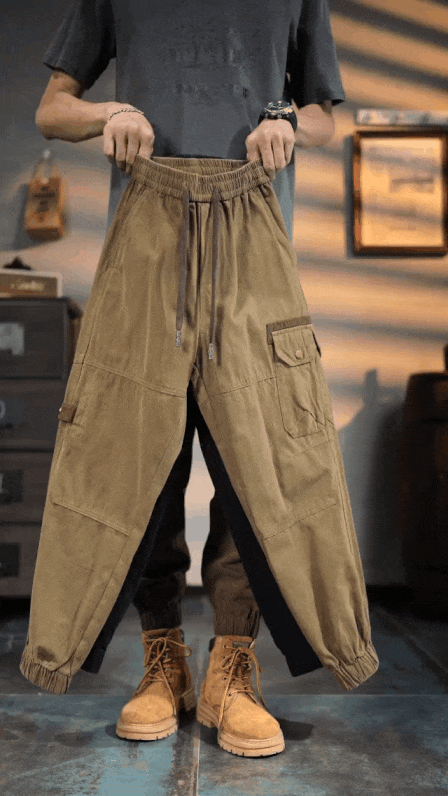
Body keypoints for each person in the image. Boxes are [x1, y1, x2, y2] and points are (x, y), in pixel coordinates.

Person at [20, 0, 379, 760]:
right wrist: (110, 112)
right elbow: (52, 109)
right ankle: (164, 661)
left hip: (255, 240)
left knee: (259, 471)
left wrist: (287, 119)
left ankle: (232, 669)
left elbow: (325, 119)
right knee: (137, 465)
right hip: (146, 243)